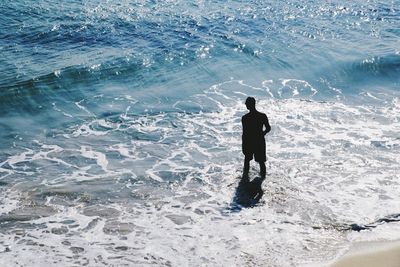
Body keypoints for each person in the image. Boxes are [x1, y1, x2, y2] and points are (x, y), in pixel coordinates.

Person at [241, 97, 271, 177]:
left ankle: (245, 179)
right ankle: (263, 178)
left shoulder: (245, 118)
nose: (245, 105)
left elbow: (245, 133)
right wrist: (262, 134)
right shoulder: (262, 116)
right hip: (259, 141)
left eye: (246, 103)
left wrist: (243, 145)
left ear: (249, 105)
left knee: (247, 160)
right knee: (261, 162)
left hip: (249, 141)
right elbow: (268, 128)